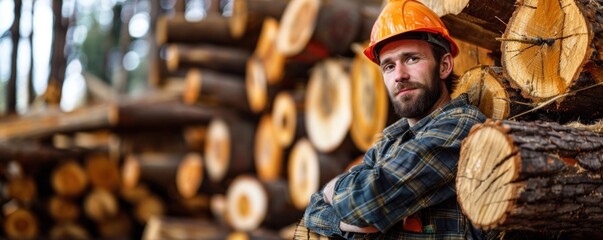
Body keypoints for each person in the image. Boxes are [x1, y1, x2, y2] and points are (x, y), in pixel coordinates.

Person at [296, 0, 488, 239]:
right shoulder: (389, 143)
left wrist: (332, 193)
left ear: (444, 65)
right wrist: (346, 222)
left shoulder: (461, 126)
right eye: (388, 66)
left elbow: (370, 201)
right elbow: (313, 211)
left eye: (412, 59)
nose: (399, 75)